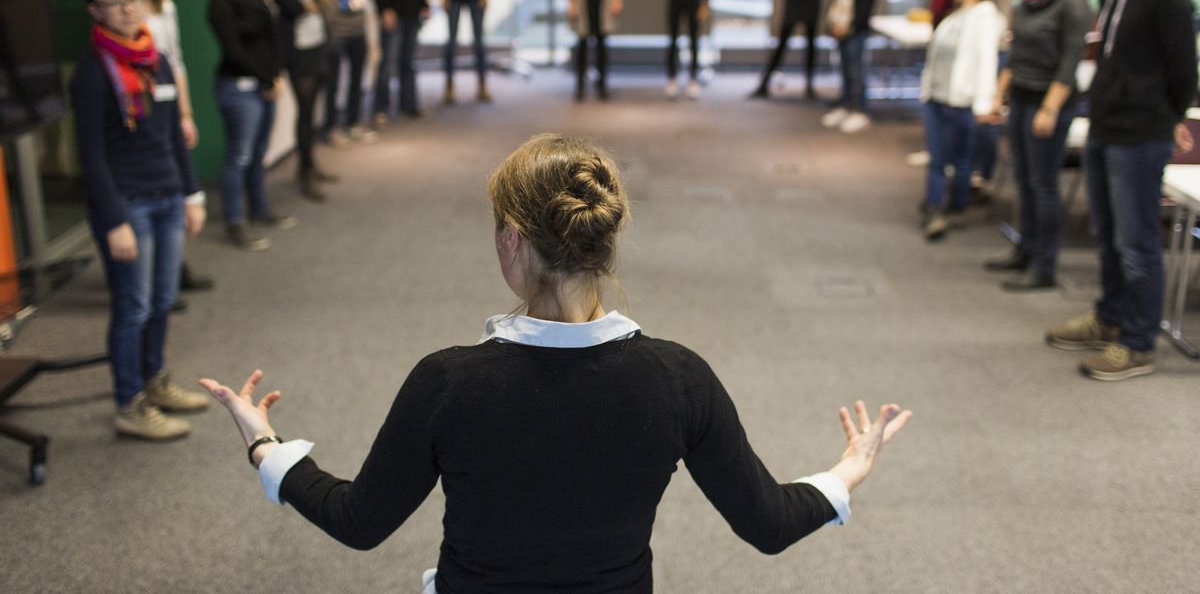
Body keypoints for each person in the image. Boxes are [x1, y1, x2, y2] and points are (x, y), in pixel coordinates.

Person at [200, 133, 912, 593]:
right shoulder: (678, 379)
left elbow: (358, 521)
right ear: (604, 240)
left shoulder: (448, 382)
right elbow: (769, 523)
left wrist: (267, 447)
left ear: (511, 240)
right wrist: (848, 469)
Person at [1045, 0, 1198, 381]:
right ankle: (1109, 319)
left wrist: (1165, 116)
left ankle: (1137, 343)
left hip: (1141, 132)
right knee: (1107, 236)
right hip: (1107, 125)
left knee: (1137, 243)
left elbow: (1184, 74)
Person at [71, 0, 209, 439]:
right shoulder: (92, 73)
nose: (127, 9)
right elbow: (90, 154)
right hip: (127, 204)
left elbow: (174, 137)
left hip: (169, 195)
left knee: (163, 300)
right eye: (113, 2)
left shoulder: (157, 60)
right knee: (133, 306)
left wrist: (191, 194)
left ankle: (154, 382)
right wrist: (114, 221)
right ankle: (129, 403)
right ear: (96, 10)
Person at [985, 0, 1092, 291]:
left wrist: (1049, 108)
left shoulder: (1074, 2)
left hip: (1050, 101)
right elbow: (1017, 52)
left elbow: (1069, 61)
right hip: (1022, 96)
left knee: (1044, 184)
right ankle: (1025, 249)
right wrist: (1001, 93)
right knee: (1024, 180)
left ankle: (1045, 266)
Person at [113, 0, 214, 301]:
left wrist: (185, 114)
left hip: (168, 107)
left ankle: (174, 269)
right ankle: (156, 277)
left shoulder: (165, 4)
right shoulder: (125, 13)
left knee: (177, 186)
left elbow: (176, 62)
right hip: (141, 111)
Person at [207, 0, 296, 252]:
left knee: (259, 152)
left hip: (264, 84)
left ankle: (259, 209)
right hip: (238, 88)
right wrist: (266, 78)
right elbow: (234, 49)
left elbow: (270, 38)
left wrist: (275, 73)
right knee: (239, 156)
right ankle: (235, 220)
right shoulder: (220, 1)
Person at [919, 0, 1005, 241]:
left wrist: (984, 103)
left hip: (961, 101)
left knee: (961, 160)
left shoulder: (985, 15)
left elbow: (986, 61)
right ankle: (935, 206)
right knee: (938, 158)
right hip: (937, 96)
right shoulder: (953, 14)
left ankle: (954, 206)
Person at [265, 0, 335, 202]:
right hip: (296, 48)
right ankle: (304, 170)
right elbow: (291, 6)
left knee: (314, 107)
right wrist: (308, 4)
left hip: (317, 40)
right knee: (304, 110)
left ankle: (309, 163)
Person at [321, 0, 378, 146]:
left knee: (357, 78)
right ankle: (332, 127)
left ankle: (353, 123)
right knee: (334, 82)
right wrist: (330, 20)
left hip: (357, 25)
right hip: (337, 28)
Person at [970, 0, 1018, 194]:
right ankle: (971, 168)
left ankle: (984, 175)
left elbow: (1000, 16)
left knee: (987, 113)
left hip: (994, 51)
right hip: (974, 51)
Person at [821, 0, 879, 134]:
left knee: (857, 71)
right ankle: (846, 105)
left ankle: (860, 110)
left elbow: (865, 7)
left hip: (855, 29)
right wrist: (832, 23)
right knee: (845, 69)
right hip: (839, 24)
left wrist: (850, 26)